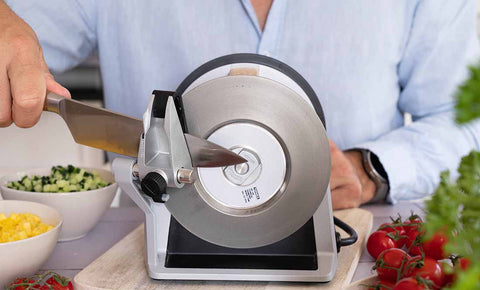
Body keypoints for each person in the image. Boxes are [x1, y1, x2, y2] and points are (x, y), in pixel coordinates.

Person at [0, 0, 479, 210]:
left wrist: (372, 170)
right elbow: (14, 41)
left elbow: (468, 122)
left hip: (347, 248)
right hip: (147, 246)